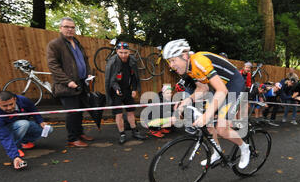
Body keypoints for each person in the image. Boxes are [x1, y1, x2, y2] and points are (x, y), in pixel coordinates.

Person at [162, 39, 250, 169]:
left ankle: (244, 148)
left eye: (173, 60)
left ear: (185, 56)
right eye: (169, 61)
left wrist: (207, 115)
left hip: (234, 85)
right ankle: (217, 153)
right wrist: (184, 104)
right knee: (209, 125)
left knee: (221, 128)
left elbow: (222, 90)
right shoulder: (189, 68)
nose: (171, 65)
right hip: (220, 86)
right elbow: (203, 89)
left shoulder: (199, 61)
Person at [47, 17, 94, 147]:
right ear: (60, 28)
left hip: (81, 83)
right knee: (73, 113)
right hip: (67, 85)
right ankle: (72, 139)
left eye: (72, 27)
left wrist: (88, 72)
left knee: (80, 111)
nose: (70, 29)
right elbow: (53, 66)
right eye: (67, 27)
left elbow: (85, 60)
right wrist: (68, 82)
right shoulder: (55, 44)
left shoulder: (77, 43)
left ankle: (79, 133)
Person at [0, 91, 53, 170]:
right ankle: (16, 147)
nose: (9, 108)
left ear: (15, 99)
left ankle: (24, 142)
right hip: (10, 129)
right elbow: (4, 137)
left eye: (11, 104)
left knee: (48, 129)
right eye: (5, 106)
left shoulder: (22, 100)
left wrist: (40, 121)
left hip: (22, 124)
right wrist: (15, 156)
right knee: (23, 124)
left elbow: (32, 108)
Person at [105, 41, 147, 144]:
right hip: (116, 91)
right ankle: (122, 134)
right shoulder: (112, 62)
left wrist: (134, 89)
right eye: (121, 53)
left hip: (127, 89)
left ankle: (134, 131)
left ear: (129, 52)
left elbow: (134, 76)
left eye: (126, 52)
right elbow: (111, 80)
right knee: (118, 114)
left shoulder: (132, 60)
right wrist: (116, 89)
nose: (123, 55)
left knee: (131, 112)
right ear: (117, 52)